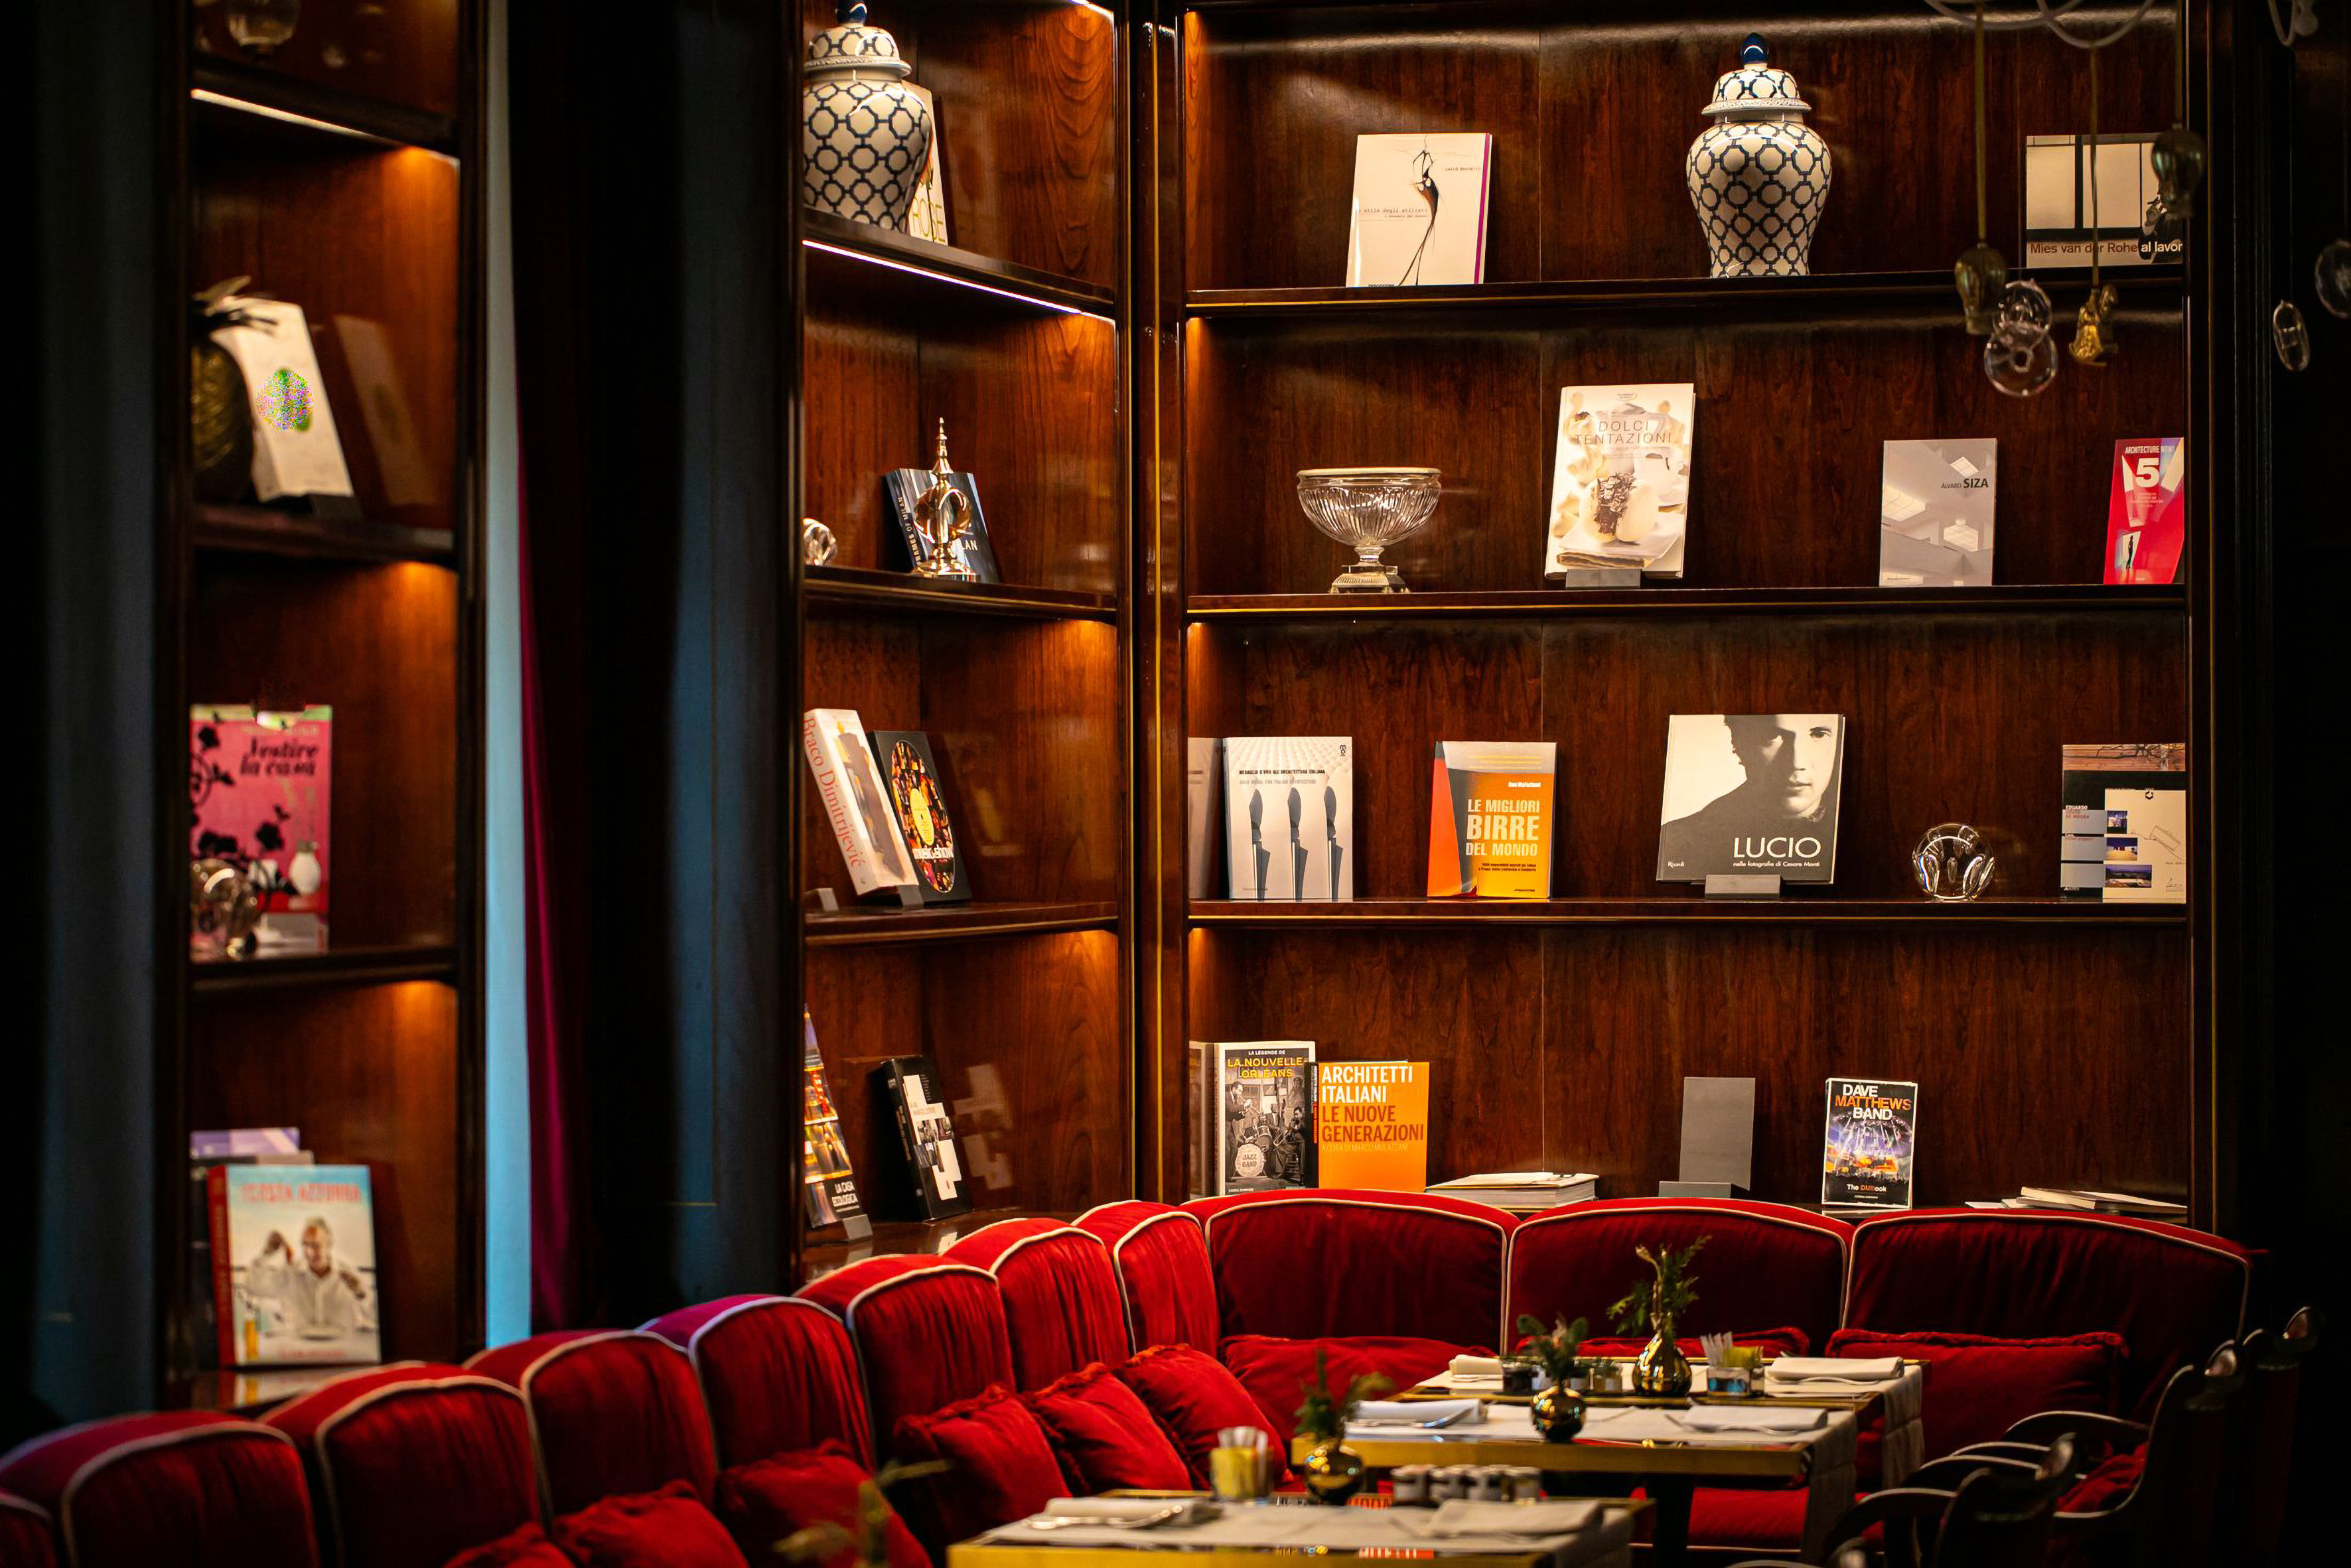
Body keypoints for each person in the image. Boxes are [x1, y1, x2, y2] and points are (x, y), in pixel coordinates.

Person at [1656, 714, 1842, 880]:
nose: (1797, 762)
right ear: (1738, 744)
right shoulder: (1678, 843)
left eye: (1819, 734)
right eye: (1771, 736)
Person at [246, 1216, 368, 1338]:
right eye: (305, 1245)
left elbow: (373, 1315)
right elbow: (254, 1287)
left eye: (315, 1246)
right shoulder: (291, 1273)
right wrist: (267, 1253)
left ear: (330, 1244)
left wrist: (360, 1293)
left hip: (343, 1350)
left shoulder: (349, 1274)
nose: (309, 1252)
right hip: (299, 1350)